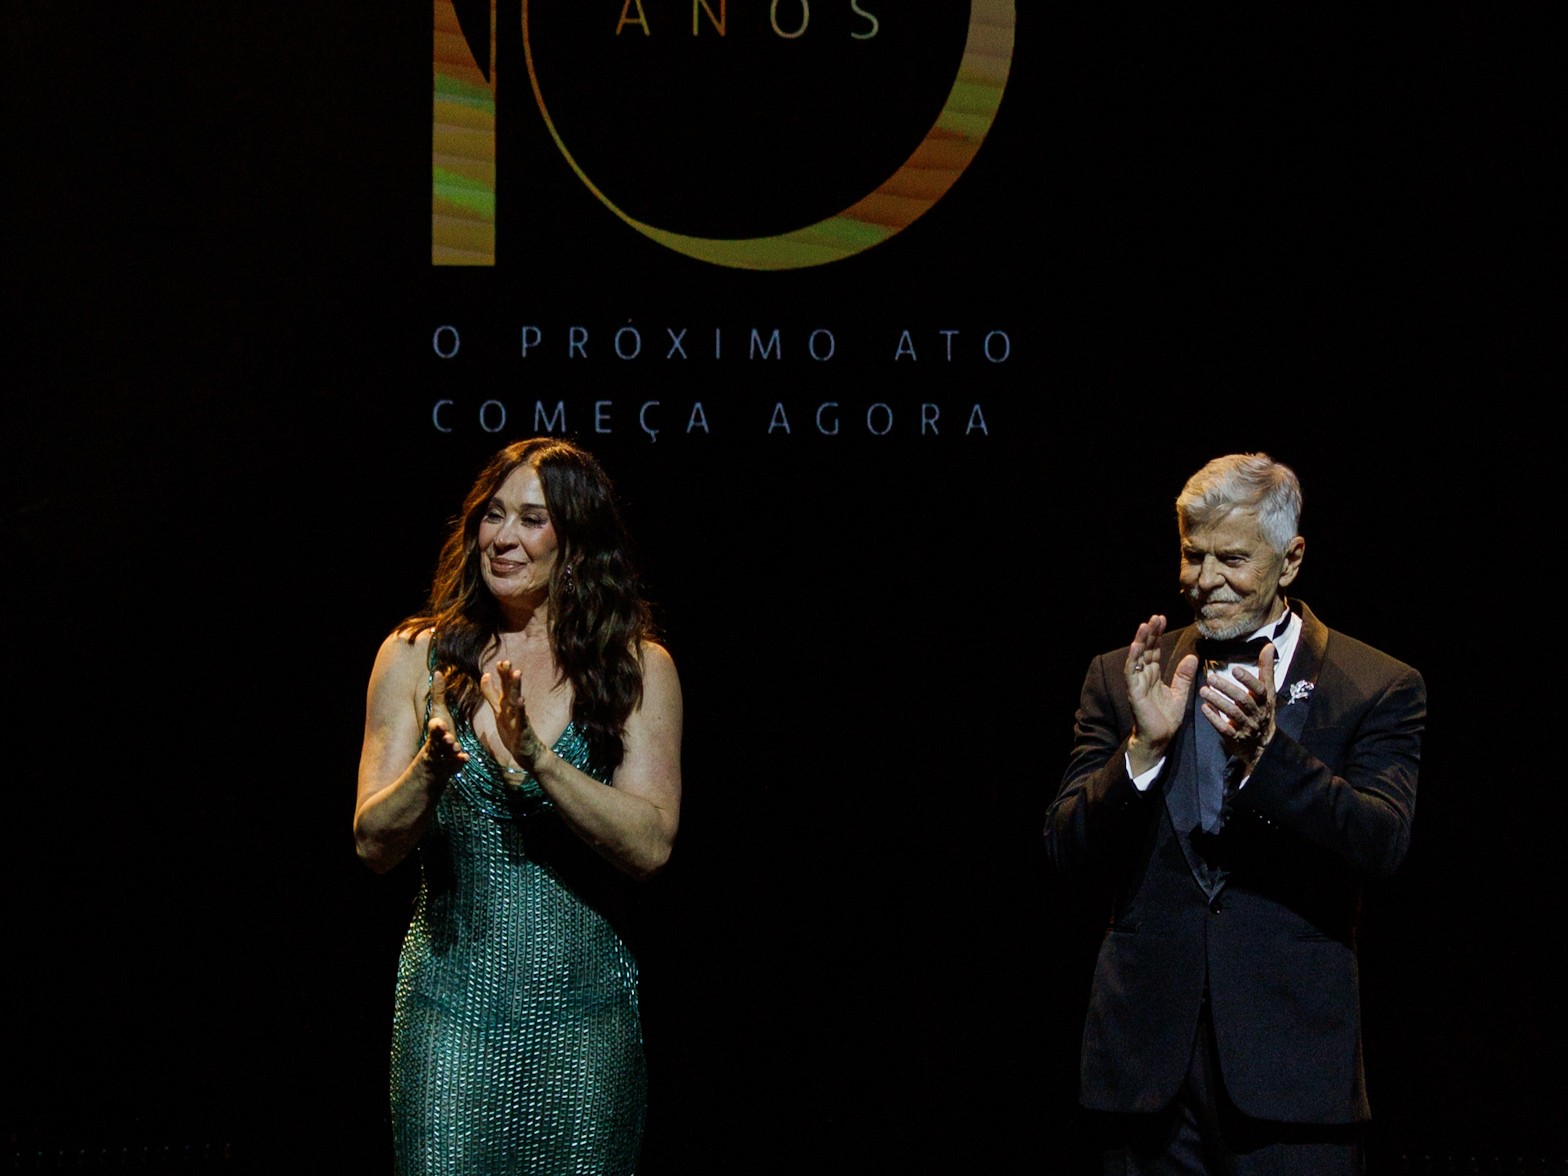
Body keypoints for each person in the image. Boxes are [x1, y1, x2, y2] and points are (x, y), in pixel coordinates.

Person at [1044, 453, 1423, 1175]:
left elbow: (1382, 844)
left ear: (1290, 560)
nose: (1203, 579)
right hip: (1145, 1079)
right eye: (1192, 554)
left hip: (1293, 1078)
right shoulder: (1125, 676)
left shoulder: (1376, 686)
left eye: (1231, 557)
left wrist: (1273, 759)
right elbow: (1065, 847)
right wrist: (1141, 751)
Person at [354, 437, 681, 1175]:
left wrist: (536, 758)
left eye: (532, 519)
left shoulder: (637, 667)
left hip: (586, 1022)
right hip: (452, 1018)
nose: (502, 538)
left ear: (573, 542)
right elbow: (372, 842)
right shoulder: (415, 656)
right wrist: (430, 772)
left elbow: (651, 845)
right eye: (492, 516)